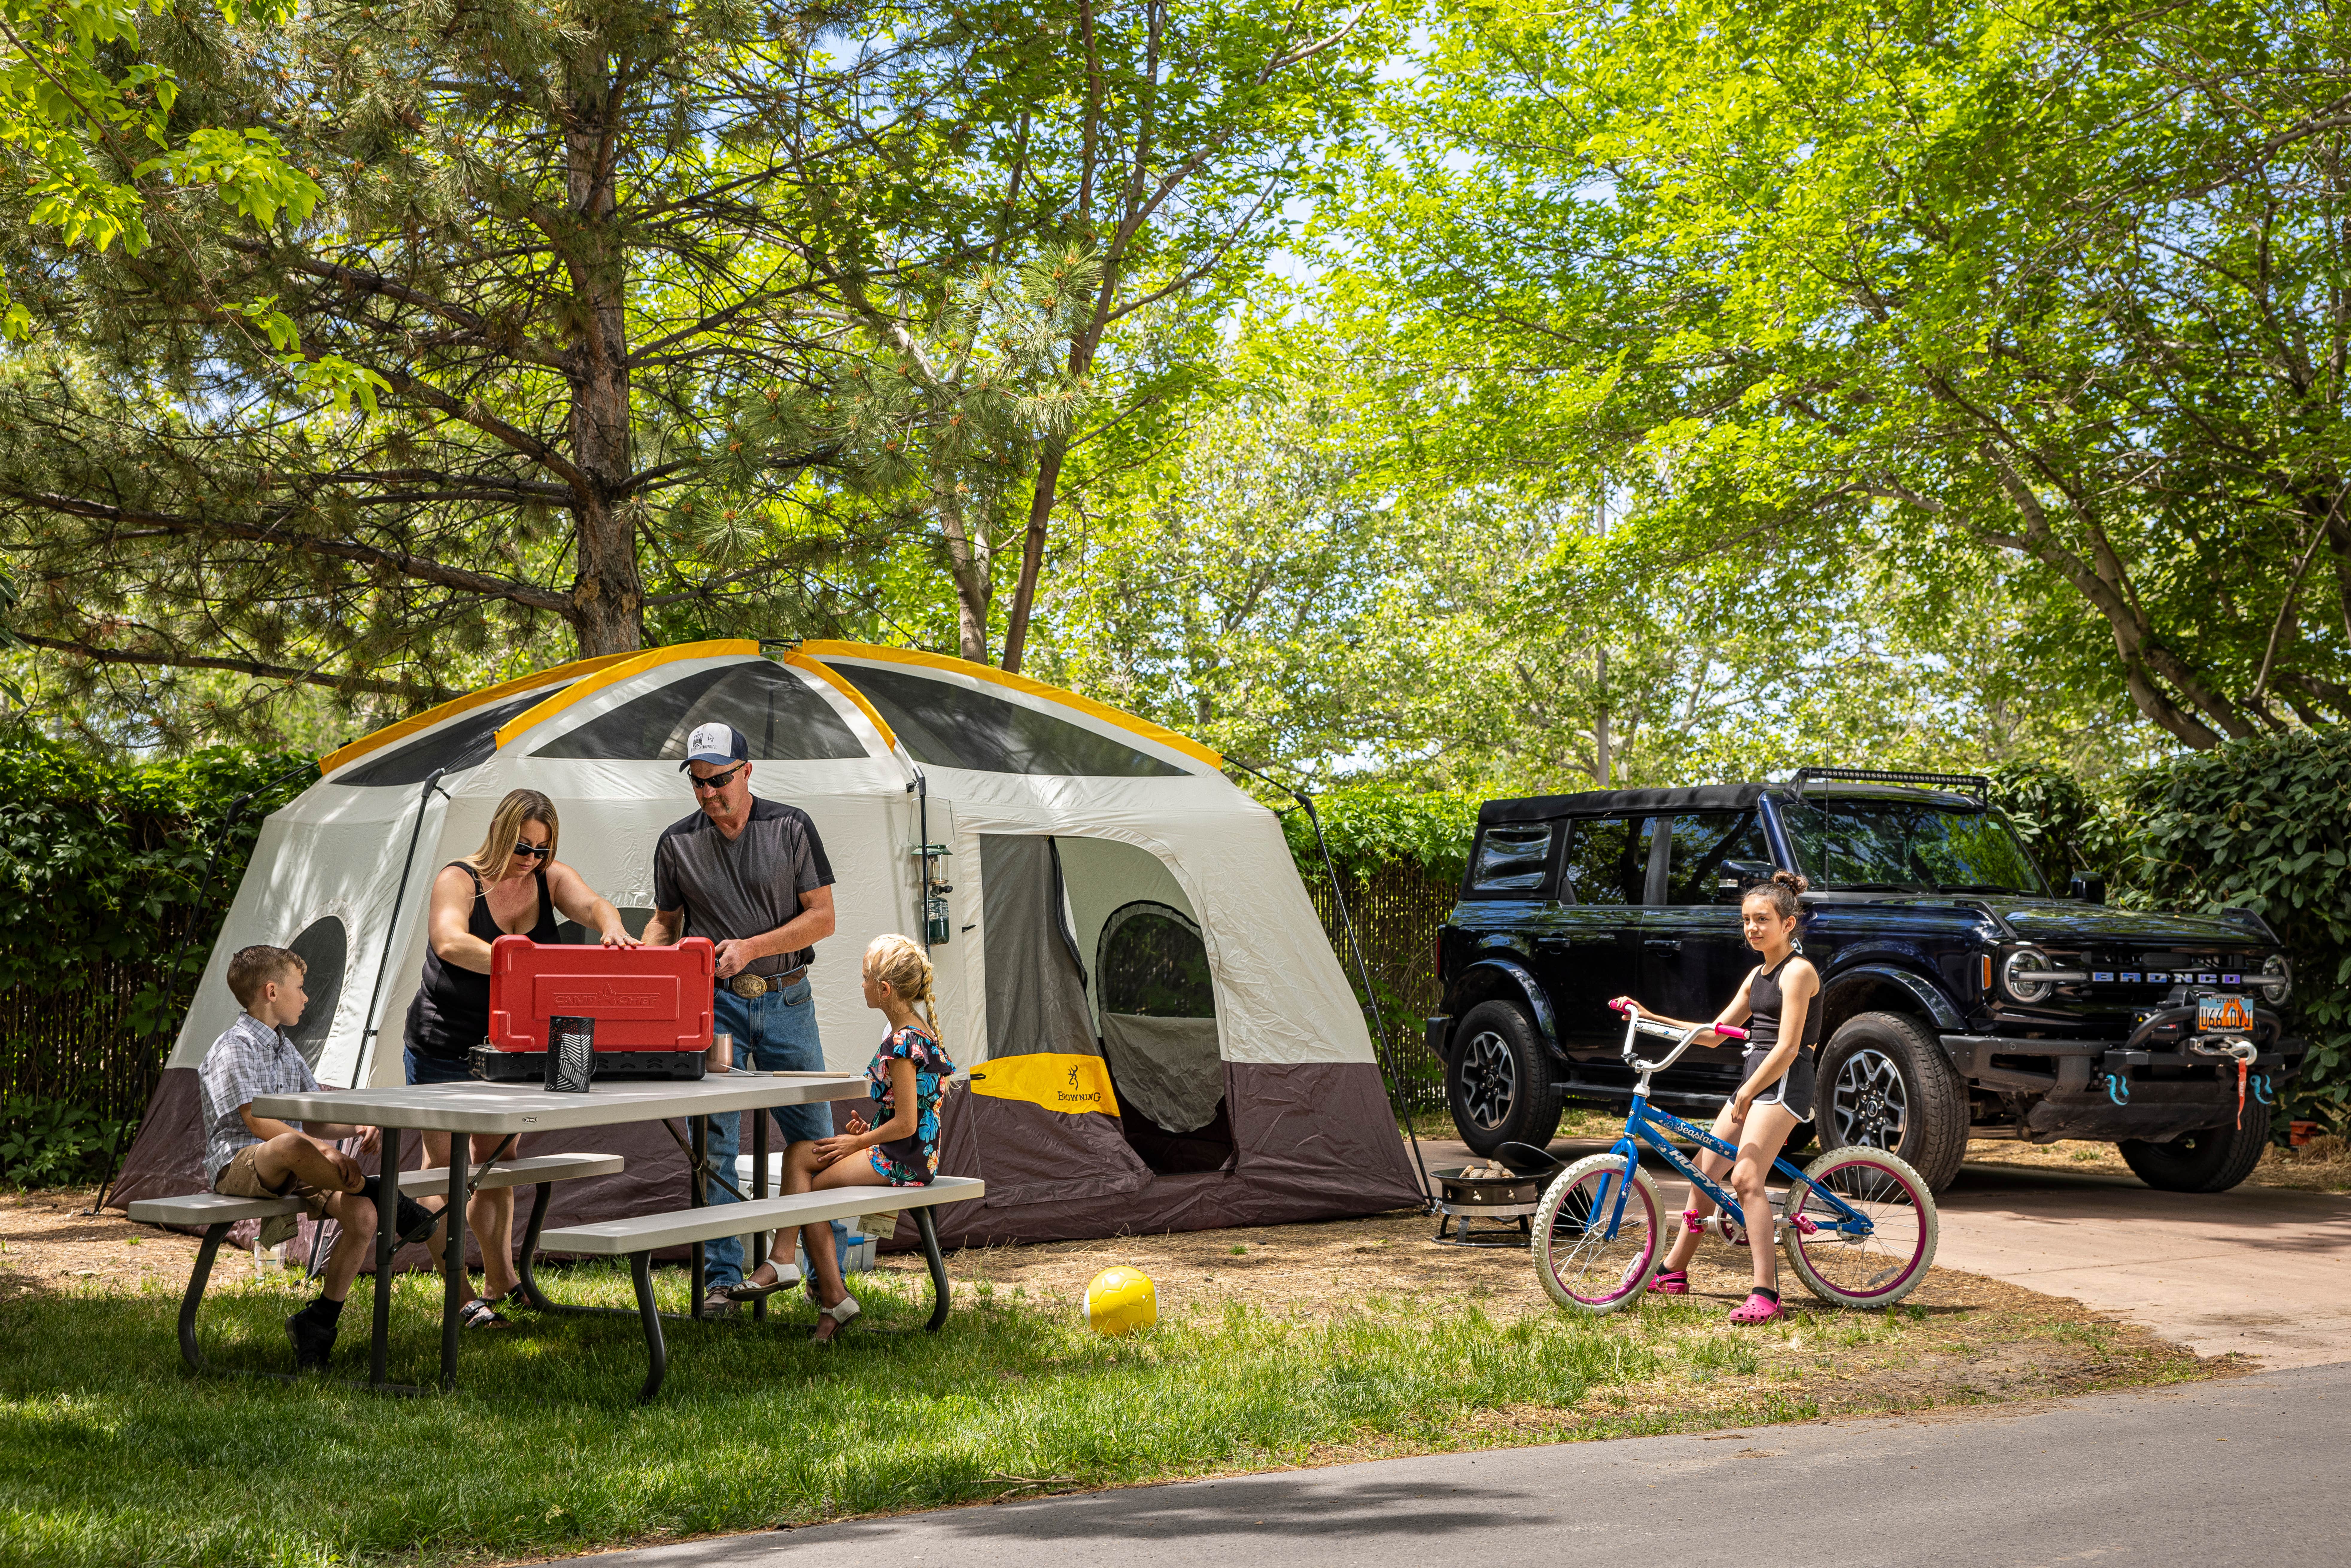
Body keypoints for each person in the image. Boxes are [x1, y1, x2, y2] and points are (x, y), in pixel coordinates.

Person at [402, 787, 638, 1327]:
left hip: (511, 1049)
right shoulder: (459, 879)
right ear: (500, 834)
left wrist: (610, 924)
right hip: (444, 1042)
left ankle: (502, 1278)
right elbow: (449, 942)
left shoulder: (548, 878)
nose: (530, 859)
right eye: (522, 847)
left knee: (499, 1164)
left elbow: (593, 903)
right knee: (443, 1172)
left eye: (541, 850)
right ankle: (459, 1295)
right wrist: (524, 966)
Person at [643, 721, 838, 1310]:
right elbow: (664, 921)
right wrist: (644, 956)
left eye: (719, 780)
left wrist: (750, 945)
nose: (708, 794)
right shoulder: (675, 842)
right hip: (716, 1007)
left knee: (816, 1140)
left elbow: (823, 917)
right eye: (698, 783)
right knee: (716, 1140)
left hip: (787, 998)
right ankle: (722, 1280)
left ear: (747, 770)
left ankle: (818, 1276)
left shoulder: (790, 826)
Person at [198, 943, 433, 1370]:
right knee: (292, 1144)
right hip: (240, 1165)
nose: (307, 998)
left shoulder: (286, 1050)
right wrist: (320, 1148)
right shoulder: (233, 1047)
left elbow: (315, 1120)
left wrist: (354, 1127)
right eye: (301, 988)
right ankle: (380, 1191)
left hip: (298, 1162)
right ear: (272, 991)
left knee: (363, 1217)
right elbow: (257, 1122)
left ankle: (319, 1322)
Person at [1610, 869, 1820, 1324]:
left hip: (1784, 1080)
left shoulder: (1799, 972)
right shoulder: (1757, 974)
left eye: (1762, 919)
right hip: (1755, 1079)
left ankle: (1766, 1292)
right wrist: (1650, 1018)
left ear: (1787, 924)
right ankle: (1672, 1271)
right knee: (1703, 1171)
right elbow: (1710, 1034)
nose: (1752, 928)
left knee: (1745, 1178)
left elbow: (1787, 1047)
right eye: (1746, 919)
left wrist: (1747, 1090)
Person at [722, 934, 954, 1339]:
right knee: (799, 1155)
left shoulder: (900, 1044)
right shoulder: (918, 1032)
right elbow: (907, 1113)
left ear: (884, 990)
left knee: (805, 1182)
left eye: (864, 979)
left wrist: (856, 1144)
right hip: (909, 1153)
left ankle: (802, 1275)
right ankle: (811, 1283)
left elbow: (906, 1124)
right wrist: (870, 1131)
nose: (860, 985)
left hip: (904, 1158)